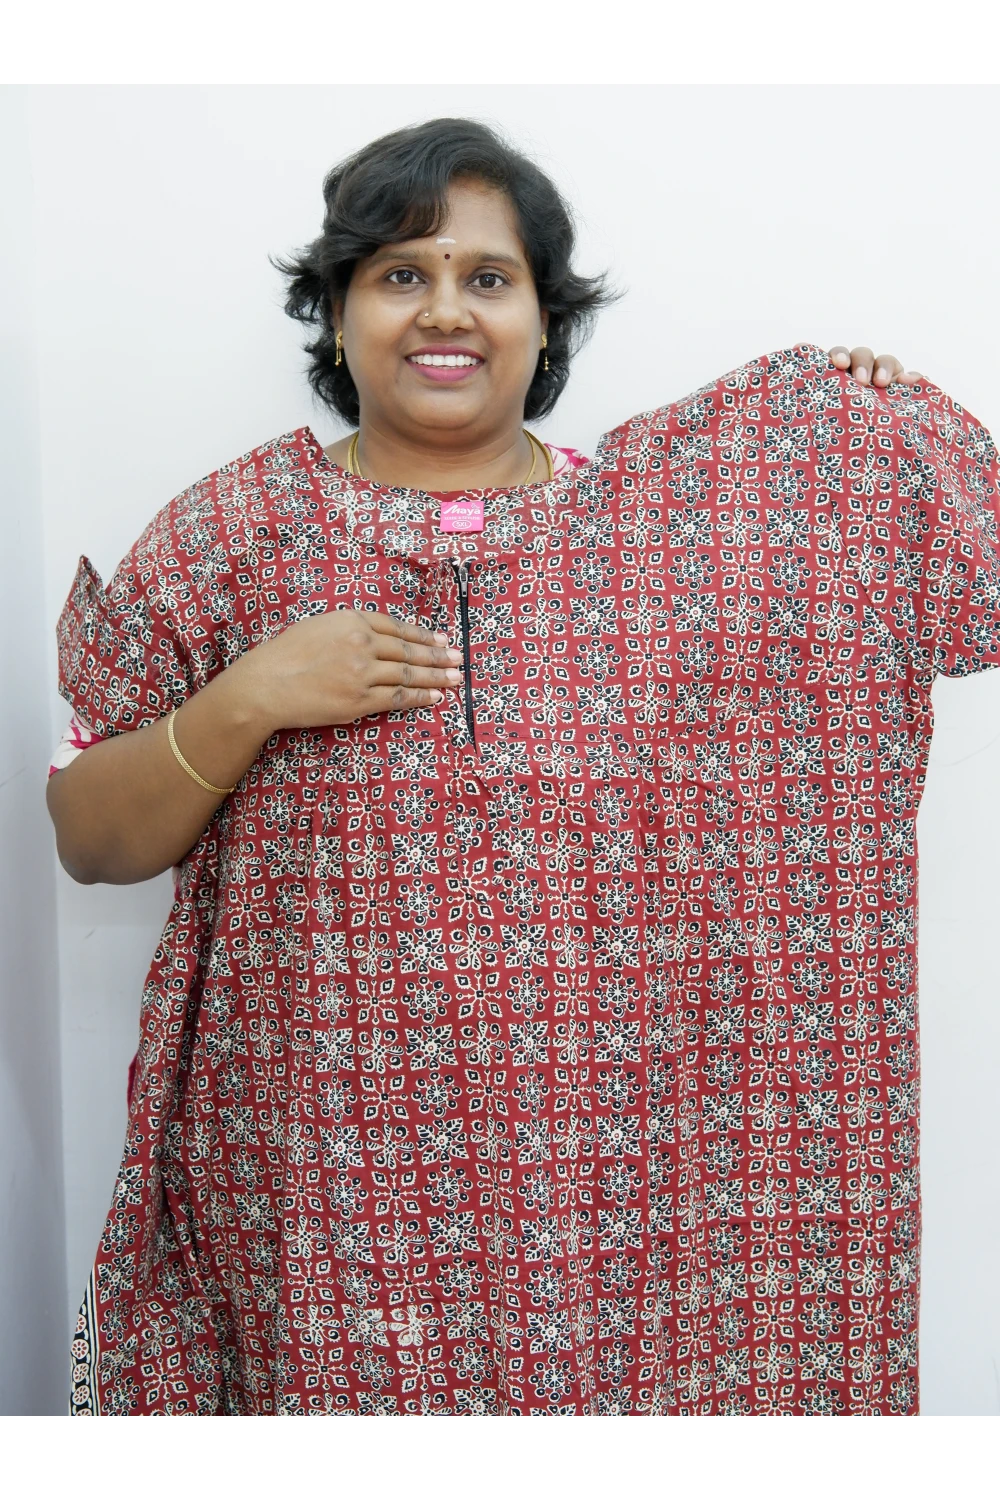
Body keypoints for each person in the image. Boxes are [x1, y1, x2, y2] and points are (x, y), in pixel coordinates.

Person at [49, 118, 990, 1417]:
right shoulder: (226, 539)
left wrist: (859, 443)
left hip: (620, 1210)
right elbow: (89, 840)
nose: (446, 310)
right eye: (400, 273)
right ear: (337, 317)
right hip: (324, 1199)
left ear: (548, 323)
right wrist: (250, 698)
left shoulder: (678, 549)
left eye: (488, 277)